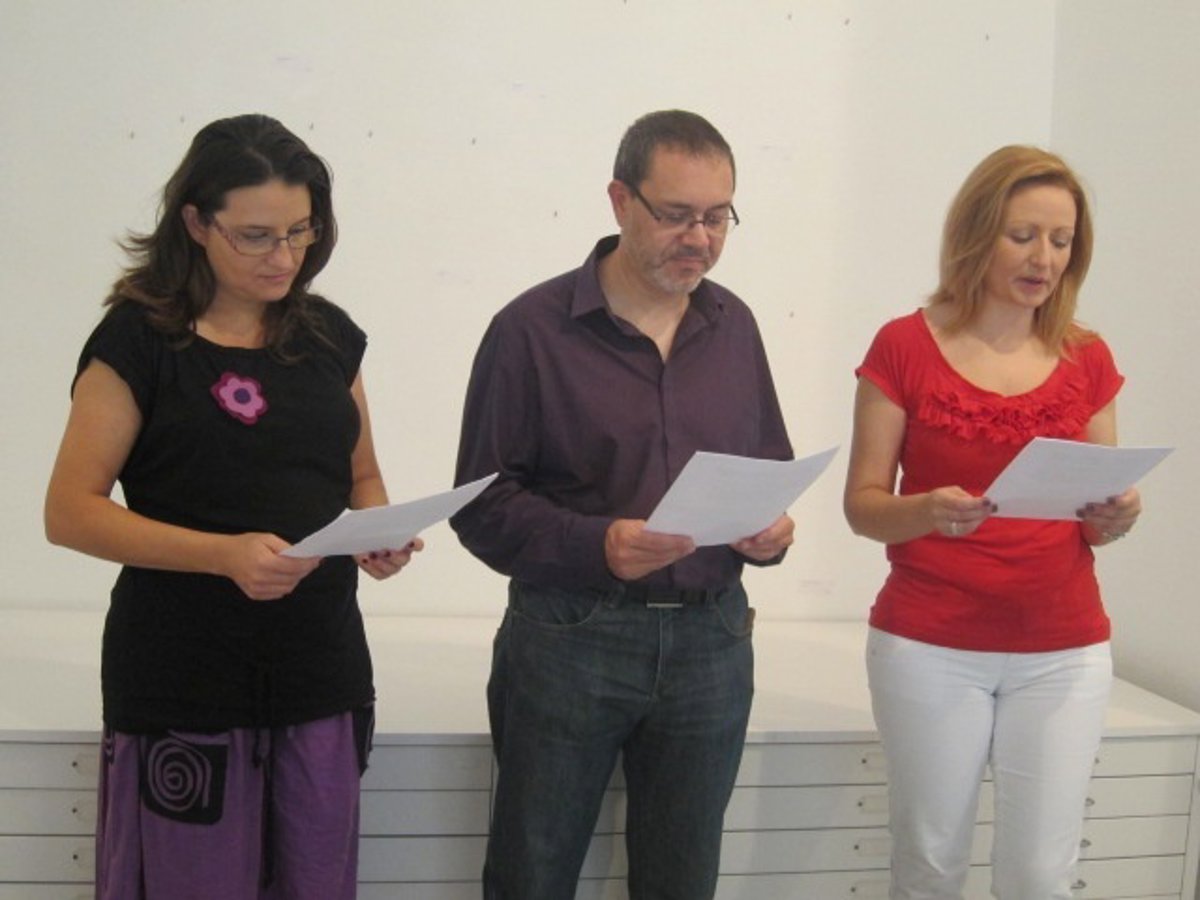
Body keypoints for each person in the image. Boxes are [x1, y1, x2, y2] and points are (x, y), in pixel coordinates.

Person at [44, 114, 421, 900]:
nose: (284, 257)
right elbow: (70, 512)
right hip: (184, 680)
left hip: (319, 673)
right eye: (255, 236)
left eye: (300, 232)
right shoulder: (138, 343)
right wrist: (221, 555)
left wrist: (377, 535)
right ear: (195, 222)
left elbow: (361, 475)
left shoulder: (328, 338)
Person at [450, 109, 795, 899]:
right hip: (572, 638)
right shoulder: (530, 331)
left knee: (683, 882)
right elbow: (482, 505)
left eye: (717, 217)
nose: (699, 239)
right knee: (532, 876)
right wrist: (597, 544)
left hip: (713, 642)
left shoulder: (734, 325)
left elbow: (768, 468)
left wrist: (771, 532)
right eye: (675, 215)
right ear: (619, 201)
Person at [843, 145, 1142, 899]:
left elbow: (1095, 519)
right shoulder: (903, 345)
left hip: (1064, 648)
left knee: (1042, 875)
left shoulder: (1087, 356)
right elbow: (863, 507)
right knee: (930, 865)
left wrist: (1118, 513)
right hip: (930, 644)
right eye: (1023, 235)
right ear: (977, 233)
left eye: (1061, 240)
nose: (1044, 259)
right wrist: (925, 511)